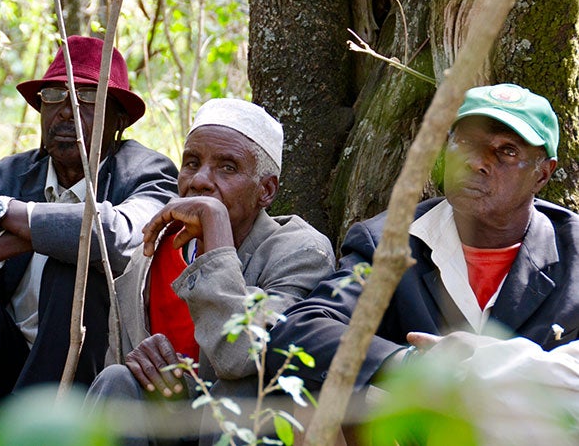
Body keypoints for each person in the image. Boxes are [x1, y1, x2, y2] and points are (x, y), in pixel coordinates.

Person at [0, 35, 179, 444]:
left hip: (89, 380)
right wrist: (11, 242)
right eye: (54, 95)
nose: (66, 112)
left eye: (87, 97)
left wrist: (11, 216)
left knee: (75, 271)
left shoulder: (145, 172)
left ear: (118, 119)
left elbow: (121, 236)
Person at [267, 83, 579, 406]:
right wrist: (407, 364)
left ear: (543, 174)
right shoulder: (390, 242)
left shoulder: (574, 253)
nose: (477, 162)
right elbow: (301, 329)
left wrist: (499, 367)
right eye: (467, 142)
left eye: (507, 151)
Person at [85, 98, 336, 444]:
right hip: (163, 428)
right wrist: (148, 372)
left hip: (243, 427)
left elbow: (241, 357)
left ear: (266, 190)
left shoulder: (301, 251)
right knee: (116, 379)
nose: (200, 180)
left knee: (242, 387)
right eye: (191, 163)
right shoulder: (150, 255)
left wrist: (215, 225)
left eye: (227, 168)